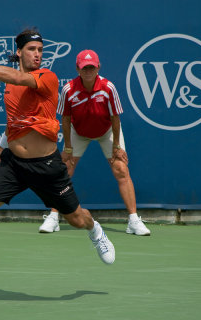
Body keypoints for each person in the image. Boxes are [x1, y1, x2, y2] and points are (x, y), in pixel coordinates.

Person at [0, 30, 115, 303]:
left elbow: (17, 77)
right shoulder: (10, 89)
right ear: (19, 52)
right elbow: (16, 120)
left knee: (76, 219)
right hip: (15, 165)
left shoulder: (47, 77)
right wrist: (1, 145)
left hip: (47, 167)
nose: (38, 54)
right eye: (32, 49)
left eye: (40, 50)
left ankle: (96, 231)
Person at [38, 49, 150, 236]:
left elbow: (115, 118)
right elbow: (65, 119)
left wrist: (116, 146)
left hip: (107, 132)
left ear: (98, 67)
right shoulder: (68, 89)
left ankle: (133, 220)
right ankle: (54, 217)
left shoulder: (108, 88)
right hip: (78, 131)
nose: (88, 71)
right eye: (84, 68)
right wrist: (67, 147)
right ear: (77, 69)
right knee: (65, 169)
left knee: (121, 169)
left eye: (91, 67)